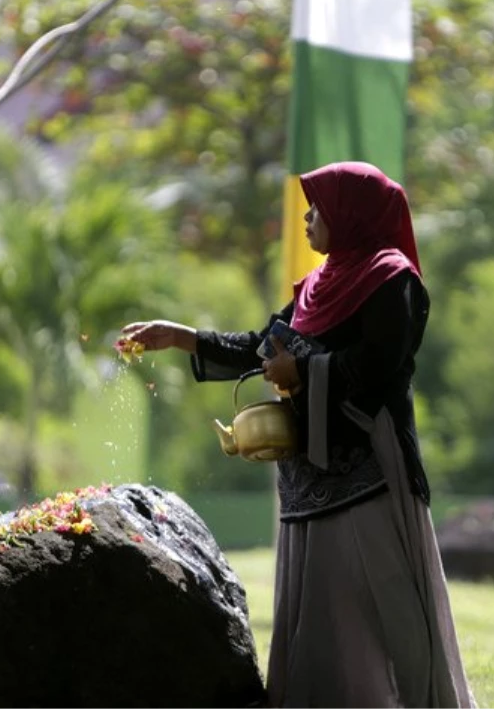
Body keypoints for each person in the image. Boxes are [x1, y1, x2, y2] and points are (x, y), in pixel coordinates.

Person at [121, 161, 475, 708]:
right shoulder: (316, 285)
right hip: (308, 475)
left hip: (369, 474)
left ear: (350, 214)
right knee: (323, 609)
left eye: (319, 207)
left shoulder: (391, 279)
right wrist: (183, 338)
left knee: (390, 608)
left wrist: (303, 372)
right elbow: (264, 345)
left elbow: (381, 364)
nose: (308, 218)